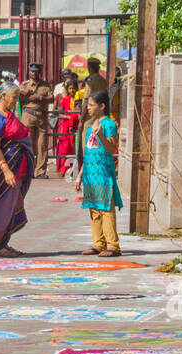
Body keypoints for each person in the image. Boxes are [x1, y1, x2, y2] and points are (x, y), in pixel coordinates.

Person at [0, 83, 33, 257]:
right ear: (3, 96)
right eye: (14, 97)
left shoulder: (7, 114)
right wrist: (6, 170)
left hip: (16, 169)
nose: (15, 101)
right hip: (3, 171)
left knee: (10, 206)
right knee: (1, 207)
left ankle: (3, 243)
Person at [77, 90, 122, 257]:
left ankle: (113, 245)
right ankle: (99, 243)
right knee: (94, 210)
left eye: (91, 105)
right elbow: (88, 151)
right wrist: (81, 174)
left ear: (102, 106)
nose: (87, 108)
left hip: (103, 173)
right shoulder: (90, 127)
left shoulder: (109, 125)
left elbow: (111, 148)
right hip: (90, 174)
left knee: (106, 209)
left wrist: (101, 134)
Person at [19, 62, 51, 179]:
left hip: (41, 117)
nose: (34, 73)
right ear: (29, 72)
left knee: (42, 145)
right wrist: (23, 92)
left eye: (36, 71)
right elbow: (17, 96)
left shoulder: (46, 85)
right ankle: (28, 170)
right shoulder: (24, 85)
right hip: (28, 115)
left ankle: (40, 172)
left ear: (40, 72)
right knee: (28, 144)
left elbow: (52, 98)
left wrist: (40, 97)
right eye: (32, 71)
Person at [55, 76, 81, 177]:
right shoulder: (64, 100)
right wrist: (68, 117)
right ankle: (64, 169)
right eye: (70, 88)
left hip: (76, 125)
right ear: (67, 89)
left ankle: (75, 169)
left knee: (76, 148)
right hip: (66, 126)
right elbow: (59, 114)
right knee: (65, 148)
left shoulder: (80, 100)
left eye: (73, 88)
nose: (72, 90)